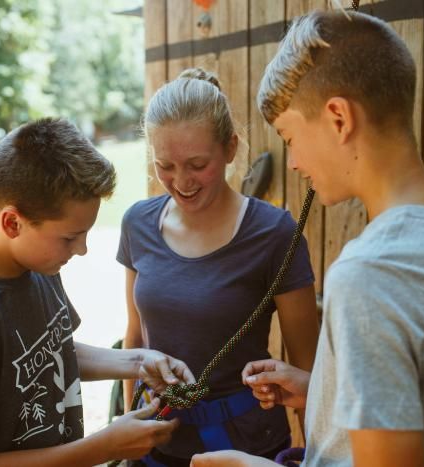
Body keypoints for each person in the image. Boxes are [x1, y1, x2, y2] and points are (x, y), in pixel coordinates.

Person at [191, 9, 424, 467]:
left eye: (290, 137)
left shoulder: (369, 274)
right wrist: (320, 390)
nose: (293, 162)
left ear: (337, 118)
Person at [0, 117, 197, 466]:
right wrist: (104, 447)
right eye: (69, 237)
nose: (82, 250)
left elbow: (52, 353)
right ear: (12, 223)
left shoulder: (38, 265)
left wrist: (139, 362)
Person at [118, 68, 319, 466]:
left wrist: (316, 455)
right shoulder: (137, 223)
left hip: (248, 447)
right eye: (165, 166)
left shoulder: (276, 233)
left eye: (196, 164)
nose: (180, 181)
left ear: (230, 148)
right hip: (158, 442)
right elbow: (134, 337)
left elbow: (307, 367)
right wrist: (130, 430)